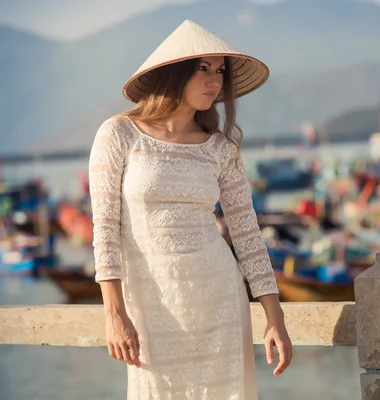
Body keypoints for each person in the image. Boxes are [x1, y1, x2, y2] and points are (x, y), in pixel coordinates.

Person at [88, 20, 292, 399]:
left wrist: (274, 316)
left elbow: (247, 235)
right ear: (174, 72)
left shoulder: (219, 148)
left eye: (219, 71)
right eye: (202, 68)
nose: (214, 80)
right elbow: (105, 229)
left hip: (219, 300)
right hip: (150, 304)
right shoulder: (118, 134)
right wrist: (114, 312)